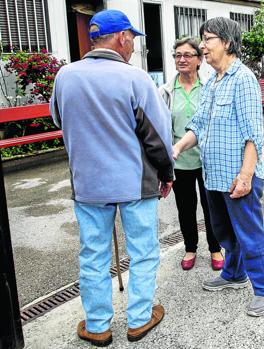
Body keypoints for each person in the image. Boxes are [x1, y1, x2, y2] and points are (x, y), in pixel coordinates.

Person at [50, 9, 173, 346]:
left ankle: (98, 325)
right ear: (121, 38)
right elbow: (158, 136)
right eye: (132, 38)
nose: (133, 45)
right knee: (144, 251)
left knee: (93, 254)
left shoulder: (65, 76)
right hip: (134, 183)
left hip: (88, 184)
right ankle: (138, 318)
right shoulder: (135, 78)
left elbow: (59, 118)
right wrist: (166, 173)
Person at [173, 17, 264, 317]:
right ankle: (233, 274)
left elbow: (253, 135)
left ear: (227, 43)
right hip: (214, 177)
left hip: (237, 178)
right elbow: (199, 124)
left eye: (207, 39)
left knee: (250, 234)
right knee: (224, 232)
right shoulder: (213, 81)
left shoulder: (243, 79)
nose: (202, 46)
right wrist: (178, 147)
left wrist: (246, 176)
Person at [160, 38, 224, 271]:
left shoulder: (210, 86)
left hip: (207, 160)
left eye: (188, 55)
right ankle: (190, 247)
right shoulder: (166, 91)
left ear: (199, 60)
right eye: (177, 55)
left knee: (212, 208)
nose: (182, 59)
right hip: (179, 160)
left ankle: (215, 248)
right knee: (185, 208)